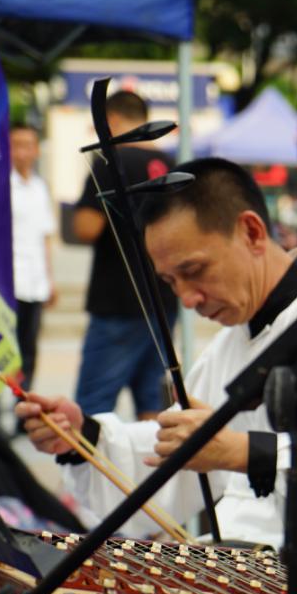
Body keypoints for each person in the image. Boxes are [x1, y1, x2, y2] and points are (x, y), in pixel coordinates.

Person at [17, 158, 297, 594]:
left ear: (252, 232)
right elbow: (176, 445)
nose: (187, 299)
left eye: (193, 271)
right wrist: (83, 438)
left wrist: (243, 451)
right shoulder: (230, 343)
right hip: (246, 574)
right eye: (170, 282)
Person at [72, 90, 176, 420]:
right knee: (152, 403)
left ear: (112, 120)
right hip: (164, 299)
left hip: (118, 301)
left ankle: (90, 457)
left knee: (93, 405)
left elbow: (86, 227)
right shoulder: (172, 164)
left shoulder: (111, 161)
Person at [8, 123, 56, 393]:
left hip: (35, 281)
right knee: (5, 349)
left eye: (27, 145)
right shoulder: (2, 187)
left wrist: (50, 279)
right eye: (16, 145)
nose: (22, 152)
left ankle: (23, 401)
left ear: (36, 150)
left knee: (29, 348)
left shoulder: (40, 187)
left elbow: (45, 236)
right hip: (9, 280)